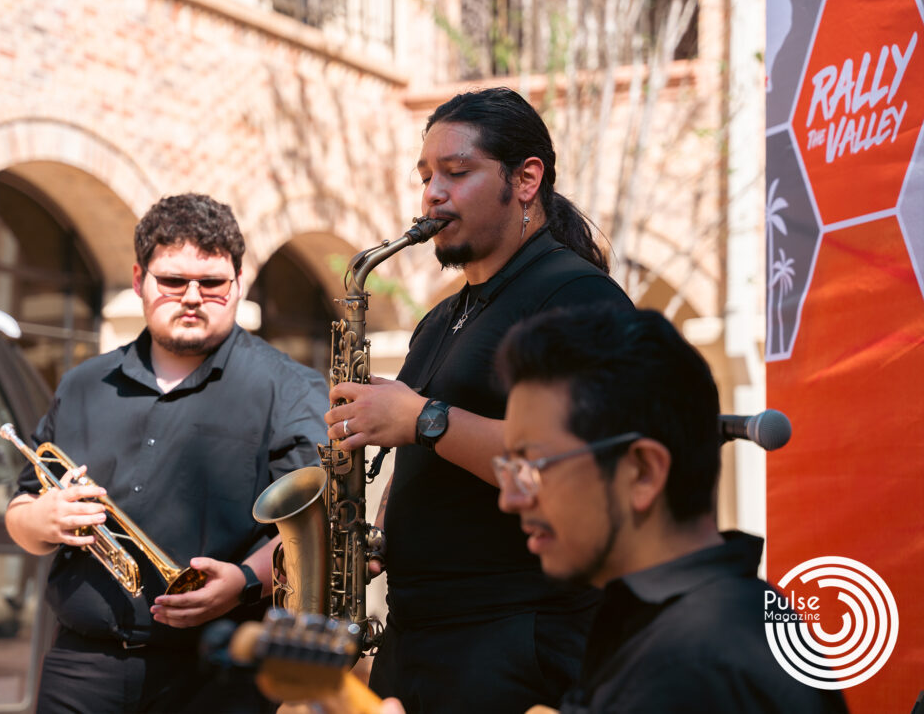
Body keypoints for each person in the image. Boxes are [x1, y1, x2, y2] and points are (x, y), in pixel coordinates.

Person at [323, 87, 633, 713]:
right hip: (420, 638)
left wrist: (423, 420)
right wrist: (377, 534)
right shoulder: (442, 319)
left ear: (526, 180)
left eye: (457, 172)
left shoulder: (577, 298)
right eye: (426, 175)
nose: (433, 192)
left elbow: (581, 472)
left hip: (515, 644)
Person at [4, 193, 329, 713]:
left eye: (213, 283)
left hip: (217, 673)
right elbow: (19, 513)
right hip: (81, 666)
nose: (193, 297)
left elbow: (315, 527)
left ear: (238, 283)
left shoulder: (289, 389)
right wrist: (43, 518)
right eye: (173, 281)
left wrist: (244, 582)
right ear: (139, 280)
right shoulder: (85, 383)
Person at [490, 305, 848, 713]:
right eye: (509, 469)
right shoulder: (733, 618)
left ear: (642, 472)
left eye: (534, 466)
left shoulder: (692, 666)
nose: (512, 498)